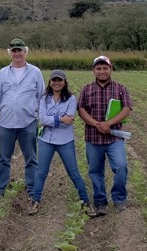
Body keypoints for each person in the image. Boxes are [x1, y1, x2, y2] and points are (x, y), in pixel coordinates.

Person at [0, 38, 44, 203]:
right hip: (6, 123)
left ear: (25, 52)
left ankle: (32, 189)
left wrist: (41, 120)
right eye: (14, 50)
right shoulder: (3, 73)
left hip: (28, 122)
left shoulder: (35, 72)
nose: (17, 53)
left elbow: (41, 96)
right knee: (3, 158)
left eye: (19, 50)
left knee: (31, 158)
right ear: (10, 53)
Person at [77, 55, 133, 216]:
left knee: (121, 166)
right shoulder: (87, 89)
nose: (102, 71)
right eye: (98, 68)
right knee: (95, 171)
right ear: (94, 70)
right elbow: (81, 110)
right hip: (93, 139)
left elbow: (127, 108)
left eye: (105, 68)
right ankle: (100, 201)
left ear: (111, 69)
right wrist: (97, 124)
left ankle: (119, 198)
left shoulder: (120, 88)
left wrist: (109, 123)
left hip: (114, 138)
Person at [29, 70, 90, 215]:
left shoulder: (71, 99)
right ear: (50, 82)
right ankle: (35, 201)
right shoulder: (44, 99)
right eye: (54, 80)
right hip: (46, 139)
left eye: (60, 80)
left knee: (73, 172)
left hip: (65, 140)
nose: (57, 83)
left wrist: (54, 119)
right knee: (41, 172)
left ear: (64, 82)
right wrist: (60, 118)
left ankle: (86, 201)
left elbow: (69, 120)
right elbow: (43, 120)